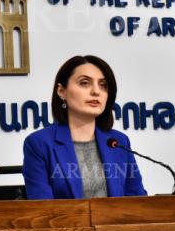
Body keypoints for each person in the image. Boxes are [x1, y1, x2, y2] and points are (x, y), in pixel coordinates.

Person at [22, 55, 147, 199]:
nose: (96, 91)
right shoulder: (39, 144)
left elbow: (137, 200)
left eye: (103, 85)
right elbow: (42, 208)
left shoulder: (119, 142)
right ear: (62, 91)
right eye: (85, 83)